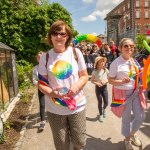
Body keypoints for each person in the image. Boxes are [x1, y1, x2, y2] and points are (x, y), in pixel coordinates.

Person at [38, 20, 88, 150]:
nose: (58, 36)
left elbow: (84, 76)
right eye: (55, 33)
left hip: (76, 105)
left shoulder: (76, 53)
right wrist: (52, 93)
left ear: (68, 37)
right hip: (55, 108)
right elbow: (41, 84)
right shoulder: (45, 57)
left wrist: (76, 86)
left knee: (80, 141)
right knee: (61, 144)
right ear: (50, 36)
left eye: (62, 34)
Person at [108, 38, 145, 150]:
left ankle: (133, 133)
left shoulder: (134, 61)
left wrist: (141, 82)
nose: (129, 48)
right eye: (126, 46)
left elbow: (138, 77)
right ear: (120, 48)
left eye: (132, 46)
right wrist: (121, 81)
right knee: (126, 119)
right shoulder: (116, 63)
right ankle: (127, 139)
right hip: (123, 94)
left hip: (135, 92)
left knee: (140, 116)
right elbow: (110, 80)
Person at [91, 56, 109, 122]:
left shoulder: (106, 70)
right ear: (97, 63)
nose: (102, 63)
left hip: (104, 88)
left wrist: (105, 81)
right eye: (101, 61)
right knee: (100, 101)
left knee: (106, 102)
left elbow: (109, 78)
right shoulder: (94, 71)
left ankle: (104, 109)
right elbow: (92, 80)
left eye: (103, 61)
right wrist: (97, 83)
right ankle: (101, 115)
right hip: (98, 88)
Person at [32, 51, 46, 131]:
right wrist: (39, 84)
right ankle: (42, 122)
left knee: (54, 103)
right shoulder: (35, 68)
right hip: (41, 88)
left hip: (50, 89)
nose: (40, 59)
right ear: (37, 59)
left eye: (42, 57)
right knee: (42, 104)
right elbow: (34, 80)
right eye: (38, 58)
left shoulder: (49, 67)